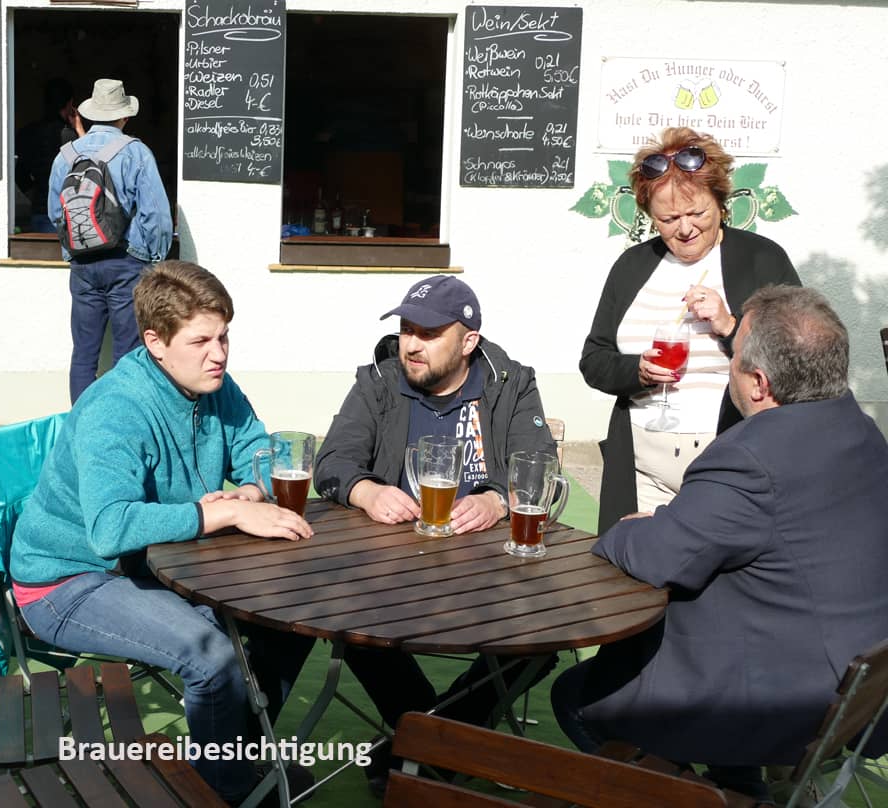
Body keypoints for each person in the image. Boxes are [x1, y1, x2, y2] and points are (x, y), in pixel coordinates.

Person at [553, 286, 888, 802]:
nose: (729, 367)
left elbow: (659, 556)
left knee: (578, 696)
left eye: (733, 358)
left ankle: (708, 795)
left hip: (784, 697)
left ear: (759, 383)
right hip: (860, 682)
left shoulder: (751, 457)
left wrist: (625, 528)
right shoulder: (860, 429)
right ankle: (738, 785)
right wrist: (677, 522)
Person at [9, 261, 313, 805]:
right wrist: (217, 514)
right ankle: (227, 792)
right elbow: (109, 529)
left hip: (157, 564)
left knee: (292, 617)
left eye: (223, 337)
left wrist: (251, 491)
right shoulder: (116, 407)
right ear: (155, 342)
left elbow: (260, 450)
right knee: (211, 656)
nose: (219, 354)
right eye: (201, 341)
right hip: (68, 581)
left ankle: (233, 755)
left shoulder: (212, 384)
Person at [313, 274, 560, 794]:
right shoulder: (380, 381)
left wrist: (496, 499)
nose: (411, 344)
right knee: (351, 624)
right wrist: (365, 491)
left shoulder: (510, 382)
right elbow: (332, 461)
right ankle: (439, 748)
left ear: (468, 342)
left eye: (428, 333)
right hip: (392, 563)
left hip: (489, 566)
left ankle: (421, 746)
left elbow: (538, 463)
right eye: (407, 330)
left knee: (536, 641)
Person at [580, 127, 800, 534]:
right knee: (636, 567)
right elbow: (594, 360)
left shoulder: (762, 260)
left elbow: (797, 363)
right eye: (668, 219)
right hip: (641, 467)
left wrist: (730, 326)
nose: (684, 228)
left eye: (697, 213)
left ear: (720, 201)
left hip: (731, 466)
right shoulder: (632, 267)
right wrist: (637, 370)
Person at [48, 78, 172, 404]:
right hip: (126, 263)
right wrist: (154, 260)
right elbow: (157, 216)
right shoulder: (135, 152)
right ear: (125, 116)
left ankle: (82, 424)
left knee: (84, 353)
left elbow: (55, 213)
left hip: (83, 266)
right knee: (127, 354)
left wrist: (72, 253)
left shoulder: (65, 156)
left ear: (91, 113)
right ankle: (120, 422)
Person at [16, 77, 77, 233]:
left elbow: (20, 176)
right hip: (69, 212)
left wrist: (38, 193)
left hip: (40, 210)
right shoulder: (70, 137)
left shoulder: (28, 133)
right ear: (70, 103)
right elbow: (81, 170)